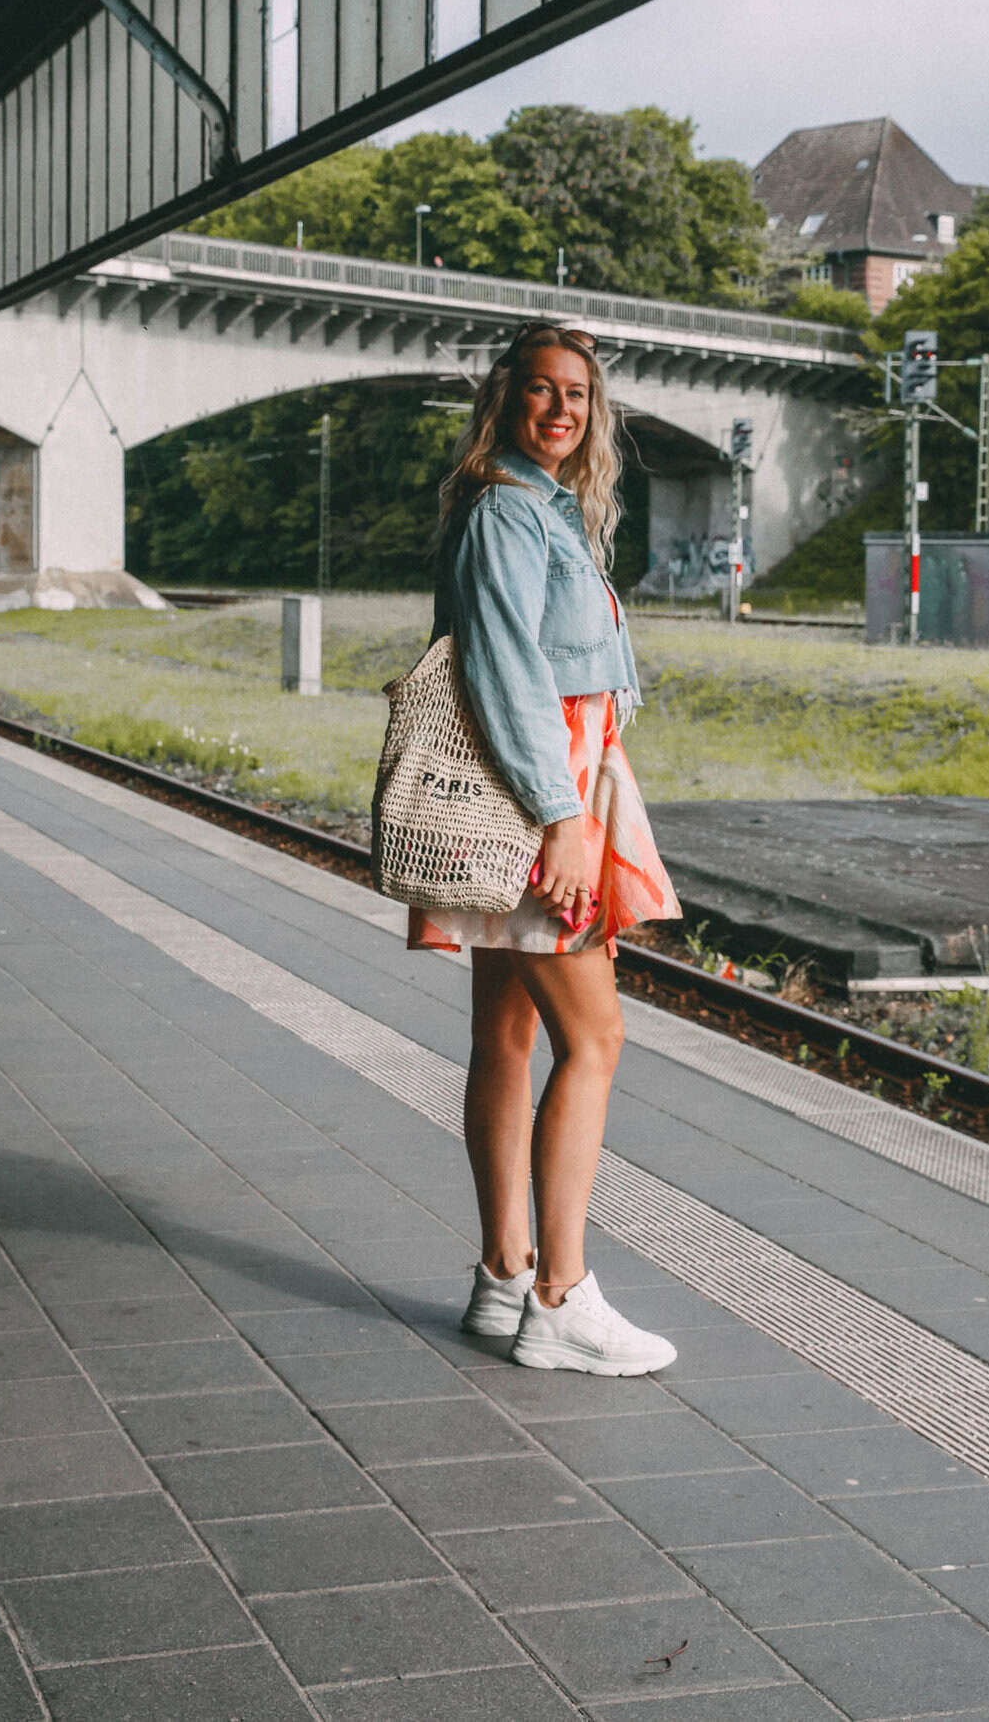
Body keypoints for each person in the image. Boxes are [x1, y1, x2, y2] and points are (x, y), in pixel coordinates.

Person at [411, 322, 681, 1375]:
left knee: (508, 1042)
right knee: (596, 1041)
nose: (561, 409)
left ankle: (502, 1275)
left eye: (576, 394)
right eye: (540, 390)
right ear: (504, 400)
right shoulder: (508, 514)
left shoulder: (543, 509)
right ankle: (562, 1298)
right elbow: (508, 675)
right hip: (536, 809)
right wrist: (565, 820)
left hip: (540, 799)